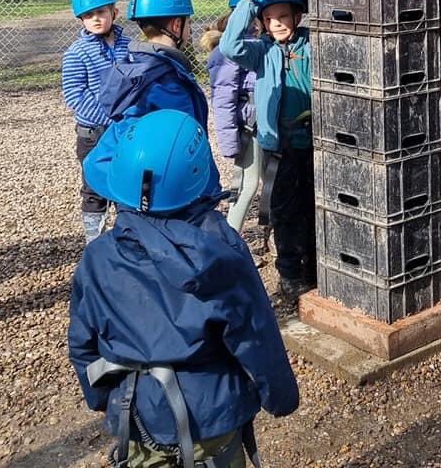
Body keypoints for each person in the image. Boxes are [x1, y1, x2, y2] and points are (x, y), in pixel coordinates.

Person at [68, 109, 298, 467]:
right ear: (199, 177)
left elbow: (83, 344)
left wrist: (104, 399)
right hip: (212, 418)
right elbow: (255, 337)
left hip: (137, 414)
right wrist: (281, 397)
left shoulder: (97, 258)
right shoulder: (220, 252)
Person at [220, 0, 314, 302]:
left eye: (283, 16)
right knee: (285, 212)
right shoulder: (261, 51)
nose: (277, 24)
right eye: (270, 19)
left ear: (297, 16)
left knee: (315, 208)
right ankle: (289, 275)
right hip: (280, 149)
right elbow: (229, 45)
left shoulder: (311, 45)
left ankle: (315, 268)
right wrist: (248, 4)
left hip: (314, 145)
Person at [62, 0, 131, 244]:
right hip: (94, 132)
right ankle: (95, 242)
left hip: (125, 127)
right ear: (81, 19)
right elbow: (75, 95)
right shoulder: (77, 53)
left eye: (101, 12)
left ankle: (128, 236)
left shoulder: (128, 46)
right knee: (94, 187)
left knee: (126, 181)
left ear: (113, 12)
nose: (96, 19)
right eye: (88, 15)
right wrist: (110, 118)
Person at [98, 0, 209, 131]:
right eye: (188, 23)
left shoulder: (131, 66)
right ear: (177, 25)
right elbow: (183, 140)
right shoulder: (170, 82)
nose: (189, 30)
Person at [200, 0, 259, 233]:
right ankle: (230, 240)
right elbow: (223, 100)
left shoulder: (263, 41)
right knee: (247, 185)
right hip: (250, 129)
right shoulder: (227, 51)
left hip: (270, 125)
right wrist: (231, 143)